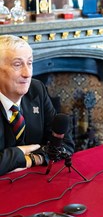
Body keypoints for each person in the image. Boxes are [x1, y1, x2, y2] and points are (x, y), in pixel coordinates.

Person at [0, 35, 75, 175]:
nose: (27, 74)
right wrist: (20, 153)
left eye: (30, 63)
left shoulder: (36, 90)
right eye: (17, 65)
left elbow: (64, 144)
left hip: (33, 181)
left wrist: (33, 159)